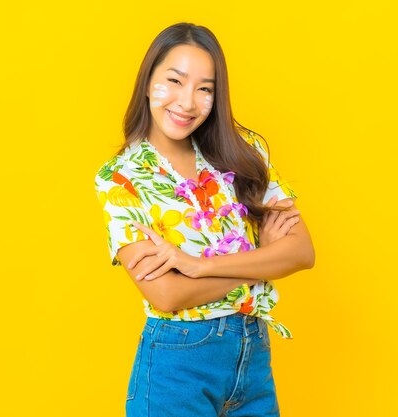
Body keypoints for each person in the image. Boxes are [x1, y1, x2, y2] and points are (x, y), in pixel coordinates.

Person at [93, 22, 315, 417]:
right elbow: (166, 295)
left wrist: (197, 267)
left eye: (205, 89)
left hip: (253, 359)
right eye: (174, 81)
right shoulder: (120, 179)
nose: (187, 102)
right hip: (177, 366)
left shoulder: (245, 153)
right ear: (148, 83)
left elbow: (301, 252)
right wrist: (262, 259)